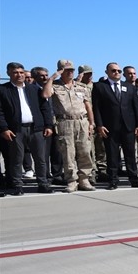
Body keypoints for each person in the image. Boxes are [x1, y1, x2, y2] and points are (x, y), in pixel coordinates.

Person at [90, 62, 138, 189]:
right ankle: (113, 180)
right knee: (112, 155)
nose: (117, 73)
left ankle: (134, 179)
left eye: (119, 71)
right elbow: (97, 107)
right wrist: (99, 125)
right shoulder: (100, 86)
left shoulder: (129, 87)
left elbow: (136, 107)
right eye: (114, 71)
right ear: (107, 72)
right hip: (110, 127)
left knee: (130, 154)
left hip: (128, 126)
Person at [0, 62, 54, 194]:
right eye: (15, 72)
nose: (19, 75)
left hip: (36, 129)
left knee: (40, 159)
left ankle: (43, 184)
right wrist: (4, 128)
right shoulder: (3, 90)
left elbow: (45, 108)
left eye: (21, 72)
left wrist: (48, 125)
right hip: (15, 130)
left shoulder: (33, 89)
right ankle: (17, 186)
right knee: (16, 159)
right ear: (9, 74)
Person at [44, 60, 96, 192]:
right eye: (67, 70)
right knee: (68, 152)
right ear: (60, 71)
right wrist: (52, 78)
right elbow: (45, 94)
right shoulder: (55, 86)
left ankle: (84, 179)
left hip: (82, 121)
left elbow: (88, 106)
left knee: (85, 150)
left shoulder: (81, 87)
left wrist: (91, 123)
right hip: (65, 122)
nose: (70, 72)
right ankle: (72, 180)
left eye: (72, 70)